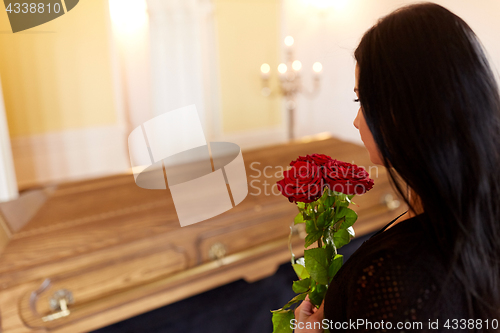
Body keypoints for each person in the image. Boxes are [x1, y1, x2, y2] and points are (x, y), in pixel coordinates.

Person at [294, 3, 500, 332]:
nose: (356, 120)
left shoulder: (399, 273)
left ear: (405, 110)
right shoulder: (462, 213)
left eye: (362, 101)